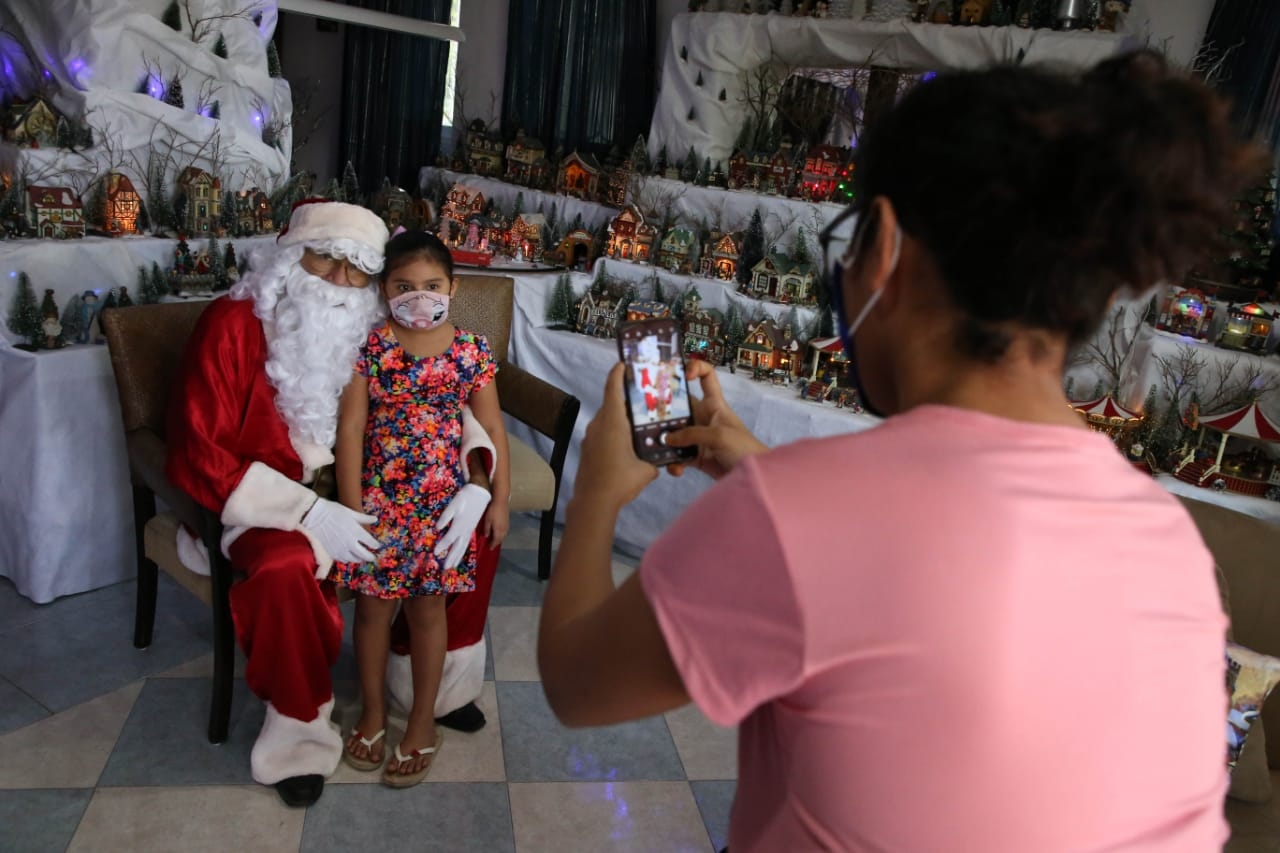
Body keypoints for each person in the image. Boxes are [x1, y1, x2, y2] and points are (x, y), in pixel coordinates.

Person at [537, 51, 1259, 850]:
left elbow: (577, 681)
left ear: (880, 243)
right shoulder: (1171, 542)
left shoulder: (801, 516)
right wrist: (773, 478)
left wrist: (599, 485)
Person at [165, 201, 496, 807]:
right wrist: (312, 512)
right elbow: (198, 447)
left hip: (380, 489)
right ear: (290, 255)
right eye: (326, 257)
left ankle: (431, 692)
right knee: (285, 569)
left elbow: (445, 406)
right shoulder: (233, 322)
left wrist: (477, 479)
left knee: (468, 535)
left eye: (358, 268)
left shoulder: (379, 323)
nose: (340, 279)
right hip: (268, 501)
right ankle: (299, 733)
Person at [333, 230, 510, 788]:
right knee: (370, 610)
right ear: (384, 289)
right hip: (380, 501)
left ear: (452, 288)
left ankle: (420, 724)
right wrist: (351, 510)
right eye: (404, 286)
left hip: (443, 503)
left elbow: (493, 428)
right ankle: (372, 713)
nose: (419, 297)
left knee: (429, 611)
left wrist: (498, 497)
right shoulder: (372, 347)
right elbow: (352, 427)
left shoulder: (470, 351)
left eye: (432, 286)